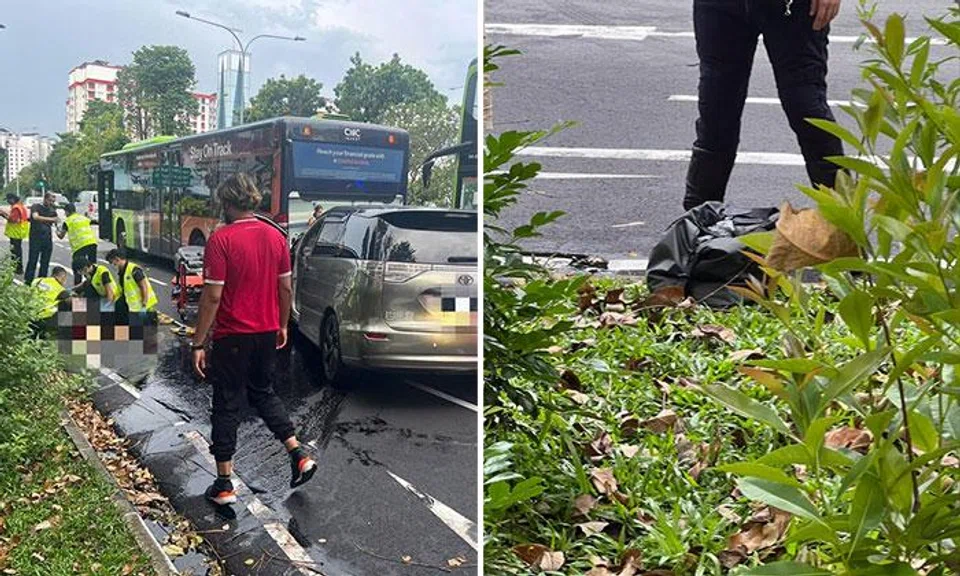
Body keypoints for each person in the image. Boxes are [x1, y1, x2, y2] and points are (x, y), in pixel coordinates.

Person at [191, 173, 316, 505]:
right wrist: (282, 323)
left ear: (227, 202)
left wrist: (199, 342)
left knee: (226, 403)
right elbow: (286, 287)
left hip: (233, 335)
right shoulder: (276, 238)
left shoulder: (221, 240)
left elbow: (212, 297)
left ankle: (224, 484)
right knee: (264, 393)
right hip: (265, 333)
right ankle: (299, 455)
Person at [682, 0, 843, 212]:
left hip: (792, 7)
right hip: (720, 7)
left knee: (806, 109)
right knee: (716, 114)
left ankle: (845, 225)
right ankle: (696, 227)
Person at [105, 248, 158, 321]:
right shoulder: (122, 271)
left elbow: (144, 286)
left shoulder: (134, 270)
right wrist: (112, 301)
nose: (113, 265)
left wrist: (144, 304)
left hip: (143, 304)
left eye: (112, 262)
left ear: (117, 259)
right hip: (132, 305)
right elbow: (122, 290)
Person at [58, 204, 98, 286]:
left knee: (77, 267)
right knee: (92, 266)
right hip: (92, 243)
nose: (65, 214)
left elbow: (61, 236)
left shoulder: (68, 221)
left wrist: (57, 230)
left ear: (67, 211)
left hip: (80, 245)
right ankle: (95, 285)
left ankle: (77, 288)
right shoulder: (83, 218)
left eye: (65, 212)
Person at [24, 193, 59, 284]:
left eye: (53, 201)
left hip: (47, 239)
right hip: (35, 238)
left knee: (45, 262)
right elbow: (35, 217)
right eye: (50, 200)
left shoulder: (52, 210)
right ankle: (28, 281)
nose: (51, 203)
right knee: (33, 260)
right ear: (45, 199)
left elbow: (57, 222)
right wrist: (51, 219)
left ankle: (41, 281)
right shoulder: (36, 207)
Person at [30, 266, 71, 337]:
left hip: (29, 314)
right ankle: (53, 330)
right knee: (66, 304)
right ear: (62, 277)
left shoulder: (37, 280)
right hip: (43, 319)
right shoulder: (60, 289)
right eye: (64, 279)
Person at [0, 194, 29, 274]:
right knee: (17, 251)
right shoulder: (19, 206)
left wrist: (3, 214)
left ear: (12, 199)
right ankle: (16, 267)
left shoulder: (16, 208)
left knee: (16, 252)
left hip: (16, 233)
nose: (8, 201)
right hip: (18, 232)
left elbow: (13, 219)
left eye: (8, 199)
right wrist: (5, 213)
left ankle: (18, 268)